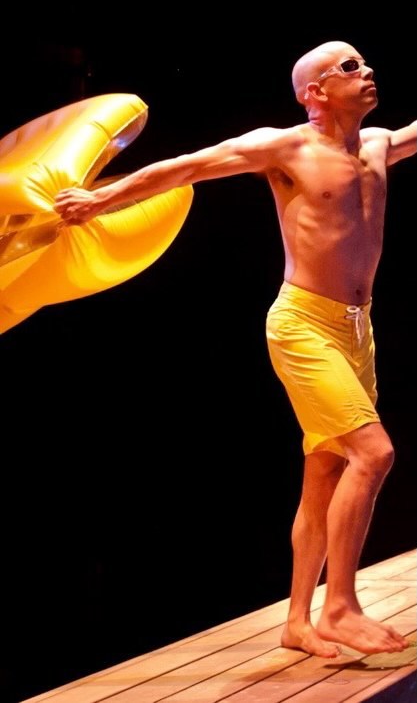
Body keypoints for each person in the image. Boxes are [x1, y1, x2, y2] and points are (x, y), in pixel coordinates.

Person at [54, 41, 415, 658]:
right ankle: (340, 606)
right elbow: (185, 168)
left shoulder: (379, 145)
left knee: (326, 472)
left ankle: (297, 621)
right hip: (303, 326)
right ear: (315, 93)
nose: (368, 71)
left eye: (365, 62)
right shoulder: (286, 148)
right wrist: (96, 201)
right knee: (373, 453)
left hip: (358, 331)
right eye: (350, 67)